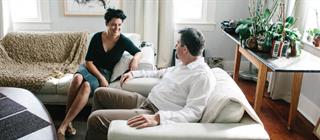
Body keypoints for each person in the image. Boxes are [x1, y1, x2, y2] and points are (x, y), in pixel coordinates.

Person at [85, 28, 216, 140]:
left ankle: (97, 132)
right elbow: (159, 72)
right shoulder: (185, 65)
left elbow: (193, 113)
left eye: (178, 43)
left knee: (95, 119)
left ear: (185, 49)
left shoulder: (201, 76)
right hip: (146, 101)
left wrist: (158, 118)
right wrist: (133, 74)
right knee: (100, 93)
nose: (176, 46)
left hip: (152, 112)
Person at [57, 8, 142, 139]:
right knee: (77, 79)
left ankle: (63, 126)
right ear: (107, 24)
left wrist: (135, 59)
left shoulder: (123, 40)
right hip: (89, 68)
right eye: (113, 24)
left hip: (105, 72)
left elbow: (138, 51)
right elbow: (89, 62)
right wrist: (101, 78)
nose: (116, 28)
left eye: (119, 25)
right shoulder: (97, 37)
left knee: (86, 87)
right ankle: (68, 122)